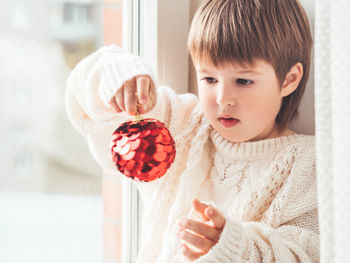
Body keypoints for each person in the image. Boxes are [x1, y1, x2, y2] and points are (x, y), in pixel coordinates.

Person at [65, 0, 319, 262]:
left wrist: (235, 246)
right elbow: (86, 105)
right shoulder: (183, 126)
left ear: (289, 79)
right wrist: (121, 77)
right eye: (209, 79)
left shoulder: (308, 167)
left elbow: (307, 254)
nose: (223, 98)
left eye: (244, 81)